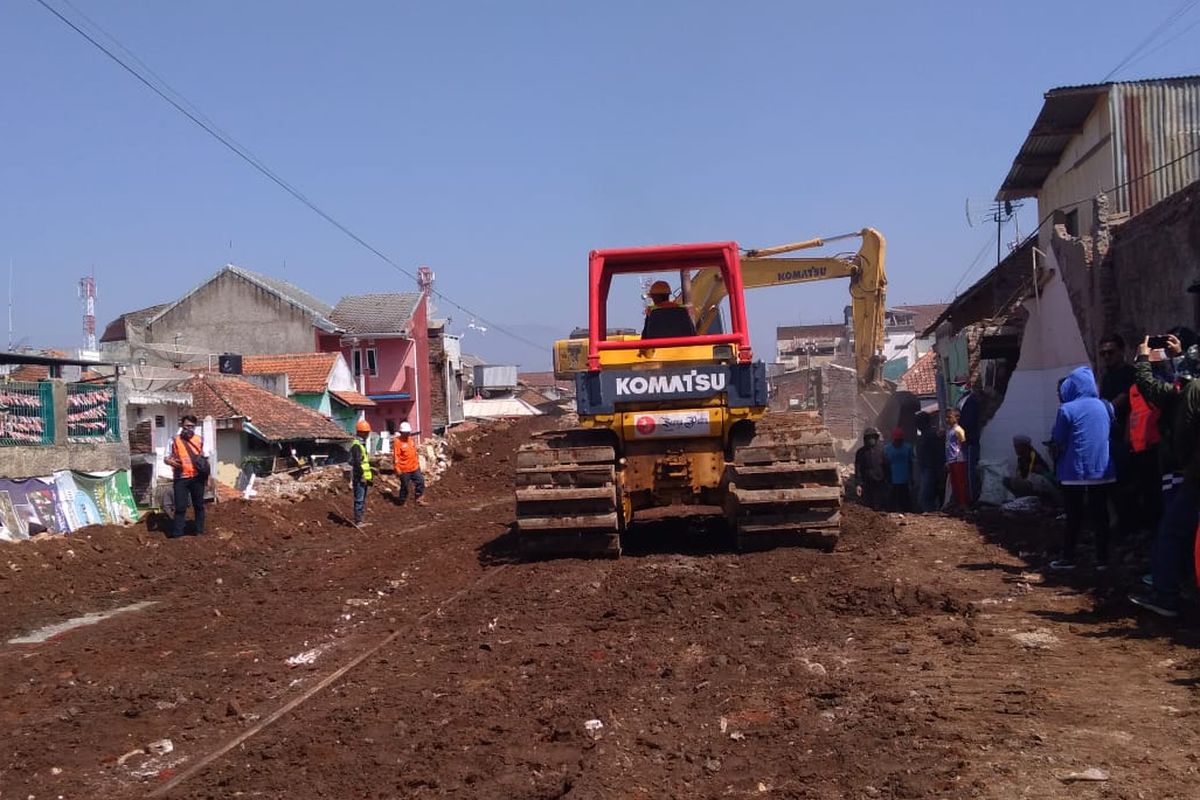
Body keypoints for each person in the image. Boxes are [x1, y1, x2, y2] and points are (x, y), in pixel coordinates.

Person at [1128, 333, 1200, 617]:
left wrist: (1143, 358)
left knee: (1172, 531)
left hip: (1188, 473)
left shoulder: (1188, 393)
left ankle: (1166, 593)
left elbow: (1155, 390)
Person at [1049, 366, 1116, 571]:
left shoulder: (1067, 409)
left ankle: (1068, 558)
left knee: (1074, 516)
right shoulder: (1106, 406)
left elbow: (1058, 439)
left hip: (1074, 471)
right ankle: (1102, 559)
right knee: (1100, 515)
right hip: (1101, 469)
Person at [163, 414, 207, 538]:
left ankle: (199, 531)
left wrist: (208, 478)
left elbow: (205, 459)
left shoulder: (200, 440)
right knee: (180, 506)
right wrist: (170, 462)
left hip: (197, 477)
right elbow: (166, 458)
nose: (189, 429)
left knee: (199, 505)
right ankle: (178, 534)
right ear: (182, 425)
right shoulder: (174, 440)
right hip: (181, 478)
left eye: (192, 426)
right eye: (187, 426)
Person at [1002, 435, 1057, 502]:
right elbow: (1021, 474)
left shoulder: (1034, 457)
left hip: (1037, 487)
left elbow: (1043, 479)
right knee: (1007, 480)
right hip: (1030, 484)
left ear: (1024, 446)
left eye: (1016, 446)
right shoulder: (1021, 458)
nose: (1015, 449)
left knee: (1011, 482)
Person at [392, 421, 427, 507]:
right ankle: (402, 500)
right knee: (405, 486)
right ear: (401, 433)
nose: (407, 434)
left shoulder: (411, 440)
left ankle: (419, 498)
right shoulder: (398, 442)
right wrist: (397, 468)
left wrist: (418, 464)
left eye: (408, 432)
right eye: (405, 433)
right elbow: (396, 456)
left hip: (414, 467)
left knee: (421, 482)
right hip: (404, 469)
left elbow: (414, 453)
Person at [957, 384, 983, 502]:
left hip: (970, 441)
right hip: (968, 440)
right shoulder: (965, 401)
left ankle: (971, 499)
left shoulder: (971, 402)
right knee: (968, 471)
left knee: (969, 471)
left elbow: (967, 423)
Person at [915, 412, 944, 512]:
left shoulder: (931, 435)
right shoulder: (924, 435)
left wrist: (939, 470)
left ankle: (930, 514)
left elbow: (938, 453)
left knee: (925, 496)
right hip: (926, 468)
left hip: (931, 468)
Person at [883, 426, 915, 512]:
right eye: (896, 440)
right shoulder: (887, 449)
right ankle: (891, 511)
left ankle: (907, 511)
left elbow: (911, 462)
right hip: (892, 478)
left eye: (899, 440)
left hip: (904, 477)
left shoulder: (908, 448)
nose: (898, 442)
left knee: (904, 498)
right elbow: (884, 464)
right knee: (892, 498)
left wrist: (911, 477)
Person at [854, 427, 887, 510]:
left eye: (873, 437)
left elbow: (887, 466)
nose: (871, 440)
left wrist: (888, 481)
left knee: (880, 505)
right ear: (865, 439)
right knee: (868, 506)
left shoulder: (882, 450)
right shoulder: (860, 452)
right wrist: (858, 484)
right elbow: (858, 469)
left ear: (876, 438)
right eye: (869, 438)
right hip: (866, 483)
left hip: (880, 482)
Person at [350, 418, 374, 527]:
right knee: (359, 499)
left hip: (364, 477)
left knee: (362, 499)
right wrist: (362, 475)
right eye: (366, 433)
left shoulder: (361, 444)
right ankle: (358, 521)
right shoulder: (356, 445)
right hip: (359, 477)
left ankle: (361, 519)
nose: (367, 435)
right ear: (361, 432)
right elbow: (357, 462)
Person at [944, 409, 969, 512]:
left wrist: (960, 455)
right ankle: (958, 502)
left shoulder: (959, 430)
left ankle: (964, 503)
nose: (947, 419)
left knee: (961, 482)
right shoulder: (949, 431)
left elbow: (963, 444)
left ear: (956, 417)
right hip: (951, 459)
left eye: (949, 417)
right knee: (954, 483)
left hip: (958, 458)